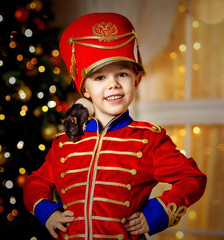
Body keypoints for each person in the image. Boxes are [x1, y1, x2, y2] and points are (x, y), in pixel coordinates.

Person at [23, 12, 206, 240]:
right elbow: (35, 182)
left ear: (136, 80)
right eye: (100, 78)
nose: (113, 84)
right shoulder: (65, 143)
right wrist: (46, 212)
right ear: (85, 88)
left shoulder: (149, 140)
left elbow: (193, 178)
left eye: (122, 74)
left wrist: (156, 213)